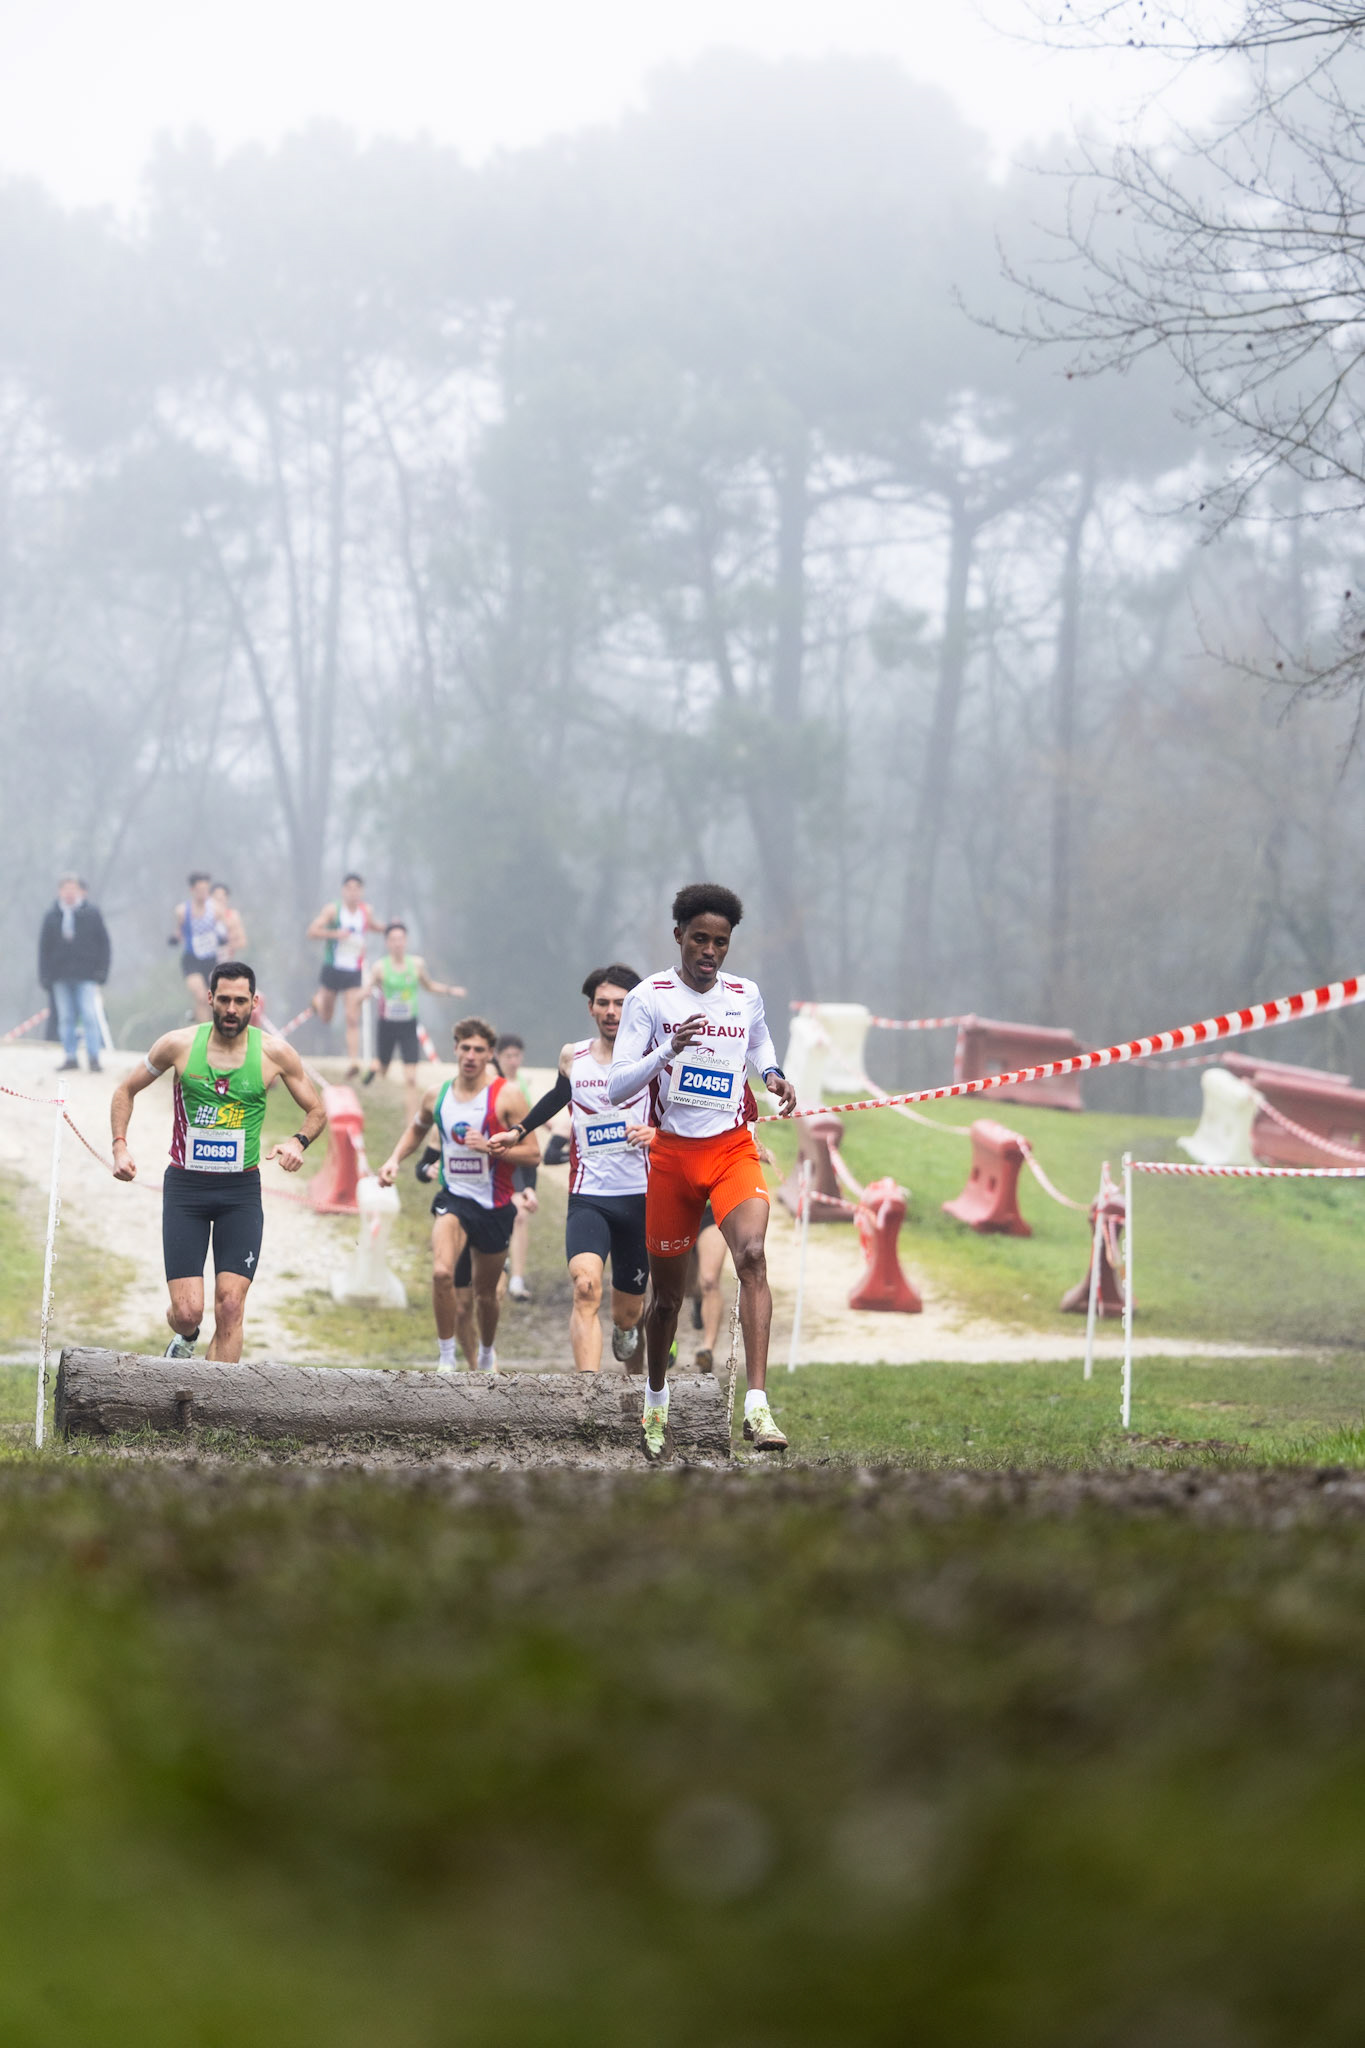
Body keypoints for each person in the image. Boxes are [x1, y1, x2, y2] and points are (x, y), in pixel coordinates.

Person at [607, 883, 797, 1458]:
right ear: (679, 938)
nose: (710, 952)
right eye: (699, 940)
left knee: (754, 1256)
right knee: (665, 1300)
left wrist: (773, 1075)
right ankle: (656, 1398)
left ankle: (758, 1407)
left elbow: (759, 1041)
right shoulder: (650, 998)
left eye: (720, 942)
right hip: (672, 1157)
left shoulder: (745, 994)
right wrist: (668, 1049)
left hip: (732, 1147)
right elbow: (618, 1087)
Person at [109, 961, 326, 1362]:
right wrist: (120, 1146)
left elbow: (317, 1110)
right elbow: (126, 1089)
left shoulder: (274, 1053)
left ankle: (209, 1411)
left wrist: (298, 1142)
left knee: (230, 1306)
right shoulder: (178, 1045)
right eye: (223, 999)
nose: (231, 1009)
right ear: (209, 999)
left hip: (239, 1192)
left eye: (240, 1001)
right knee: (189, 1311)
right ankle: (185, 1335)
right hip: (186, 1189)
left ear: (254, 1003)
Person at [491, 966, 653, 1373]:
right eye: (604, 1003)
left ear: (634, 1008)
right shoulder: (573, 1055)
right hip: (589, 1199)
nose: (612, 1011)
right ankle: (589, 1398)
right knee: (585, 1288)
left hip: (641, 1199)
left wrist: (654, 1132)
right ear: (591, 1009)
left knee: (627, 1312)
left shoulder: (654, 1056)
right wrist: (518, 1130)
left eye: (620, 1003)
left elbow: (676, 1114)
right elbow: (558, 1095)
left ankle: (626, 1329)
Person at [376, 1017, 538, 1373]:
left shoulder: (507, 1096)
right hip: (454, 1198)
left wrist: (493, 1150)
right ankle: (446, 1357)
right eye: (464, 1048)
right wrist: (393, 1160)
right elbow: (417, 1129)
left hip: (495, 1206)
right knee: (441, 1274)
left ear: (489, 1054)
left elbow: (533, 1154)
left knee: (485, 1297)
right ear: (455, 1049)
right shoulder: (438, 1095)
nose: (470, 1056)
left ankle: (486, 1353)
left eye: (478, 1050)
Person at [361, 922, 465, 1123]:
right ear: (387, 943)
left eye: (401, 939)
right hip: (387, 1025)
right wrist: (359, 996)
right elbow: (366, 989)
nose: (398, 944)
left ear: (406, 941)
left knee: (410, 1078)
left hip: (408, 1025)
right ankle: (376, 1066)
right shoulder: (380, 967)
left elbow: (429, 985)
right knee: (383, 1068)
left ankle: (411, 1122)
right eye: (393, 940)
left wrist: (451, 991)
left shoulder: (416, 965)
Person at [308, 873, 383, 1073]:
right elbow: (312, 931)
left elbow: (374, 926)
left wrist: (389, 929)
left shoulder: (365, 911)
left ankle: (353, 1061)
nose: (353, 892)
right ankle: (317, 1002)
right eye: (349, 888)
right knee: (326, 1017)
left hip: (354, 970)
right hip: (333, 967)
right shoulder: (334, 910)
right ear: (343, 891)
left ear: (361, 891)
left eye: (357, 889)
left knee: (352, 1016)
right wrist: (335, 934)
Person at [38, 874, 111, 1074]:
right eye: (66, 889)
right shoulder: (52, 916)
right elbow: (44, 948)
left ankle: (94, 1056)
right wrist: (44, 975)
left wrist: (102, 970)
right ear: (60, 892)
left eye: (73, 889)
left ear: (80, 891)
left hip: (86, 974)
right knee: (66, 1017)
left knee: (89, 1015)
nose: (69, 893)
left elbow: (104, 943)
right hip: (60, 975)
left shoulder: (91, 914)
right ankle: (70, 1056)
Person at [493, 1033, 538, 1303]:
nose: (512, 1061)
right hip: (493, 1158)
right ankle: (500, 1263)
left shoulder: (521, 1084)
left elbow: (528, 1121)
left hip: (518, 1158)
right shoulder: (491, 1083)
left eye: (516, 1055)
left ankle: (517, 1280)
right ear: (497, 1057)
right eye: (507, 1056)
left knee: (520, 1213)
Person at [170, 873, 228, 1024]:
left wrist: (223, 937)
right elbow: (179, 932)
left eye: (206, 890)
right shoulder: (182, 911)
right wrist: (174, 939)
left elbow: (223, 930)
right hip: (192, 959)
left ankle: (209, 1024)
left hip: (211, 959)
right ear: (192, 890)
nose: (203, 893)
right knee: (201, 995)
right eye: (200, 890)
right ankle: (203, 1031)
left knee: (214, 996)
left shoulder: (216, 909)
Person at [211, 883, 248, 959]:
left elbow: (242, 941)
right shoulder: (205, 918)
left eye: (221, 899)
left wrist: (228, 947)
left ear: (227, 898)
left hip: (226, 960)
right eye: (216, 899)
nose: (219, 901)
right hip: (205, 960)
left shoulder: (233, 916)